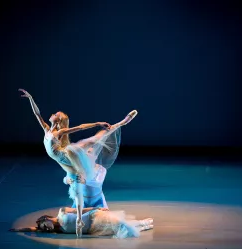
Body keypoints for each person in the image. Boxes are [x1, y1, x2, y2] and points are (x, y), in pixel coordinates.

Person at [19, 88, 137, 237]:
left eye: (56, 115)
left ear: (58, 120)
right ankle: (80, 218)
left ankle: (121, 123)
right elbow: (37, 113)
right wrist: (30, 98)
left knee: (92, 141)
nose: (53, 114)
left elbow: (79, 128)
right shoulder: (47, 129)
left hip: (68, 155)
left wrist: (97, 123)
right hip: (64, 161)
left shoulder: (59, 133)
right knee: (76, 178)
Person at [9, 206, 154, 239]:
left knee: (119, 223)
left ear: (46, 219)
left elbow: (80, 208)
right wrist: (18, 229)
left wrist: (97, 208)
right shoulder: (58, 229)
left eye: (45, 225)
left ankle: (142, 223)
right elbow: (33, 229)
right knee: (118, 229)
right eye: (45, 228)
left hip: (94, 217)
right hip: (94, 229)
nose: (46, 228)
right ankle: (142, 226)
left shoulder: (62, 212)